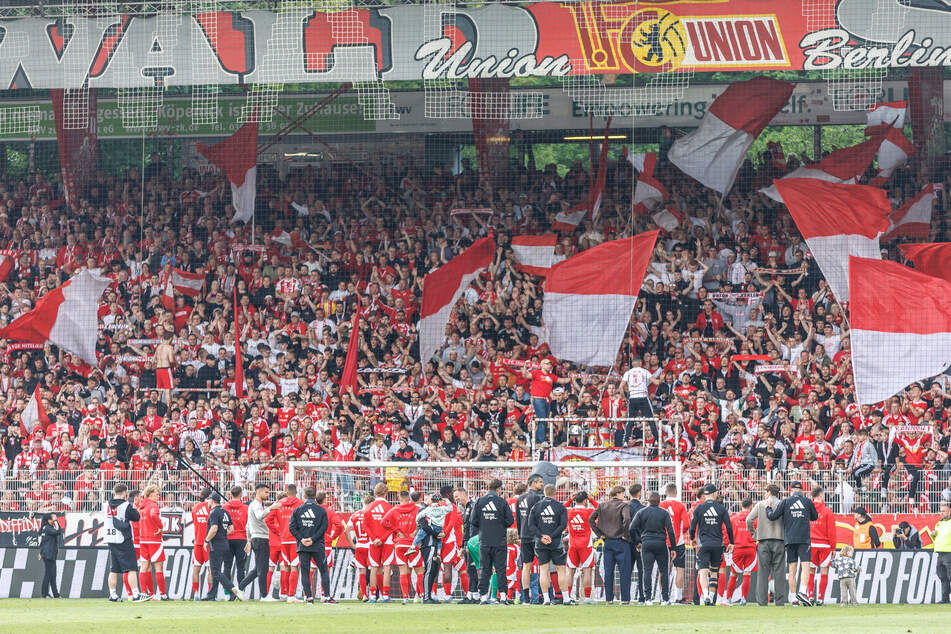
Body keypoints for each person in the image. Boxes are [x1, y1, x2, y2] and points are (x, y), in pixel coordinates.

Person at [767, 481, 818, 605]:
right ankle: (802, 591)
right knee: (806, 565)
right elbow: (814, 517)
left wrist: (768, 507)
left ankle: (794, 597)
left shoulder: (785, 502)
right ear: (801, 490)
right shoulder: (807, 501)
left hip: (789, 539)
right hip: (804, 539)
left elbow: (772, 516)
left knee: (792, 568)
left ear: (791, 490)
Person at [289, 486, 336, 604]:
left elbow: (292, 527)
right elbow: (324, 527)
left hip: (303, 546)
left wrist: (302, 539)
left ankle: (309, 597)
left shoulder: (298, 510)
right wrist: (313, 539)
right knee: (323, 570)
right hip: (317, 545)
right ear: (315, 496)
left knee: (304, 571)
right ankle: (327, 597)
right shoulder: (321, 510)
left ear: (304, 496)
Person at [470, 478, 514, 605]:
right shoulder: (502, 502)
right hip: (499, 540)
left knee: (485, 569)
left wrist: (485, 524)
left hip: (484, 540)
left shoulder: (480, 501)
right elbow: (510, 521)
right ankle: (504, 597)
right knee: (500, 569)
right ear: (499, 489)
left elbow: (473, 520)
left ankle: (483, 597)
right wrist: (499, 524)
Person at [688, 483, 733, 606]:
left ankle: (706, 596)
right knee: (714, 572)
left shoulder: (699, 508)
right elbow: (729, 527)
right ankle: (712, 597)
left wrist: (692, 538)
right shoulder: (721, 508)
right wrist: (732, 542)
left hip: (703, 544)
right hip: (717, 544)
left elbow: (692, 526)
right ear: (714, 494)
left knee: (702, 571)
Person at [629, 491, 676, 605]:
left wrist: (637, 542)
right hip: (660, 543)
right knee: (664, 571)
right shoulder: (664, 513)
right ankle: (665, 599)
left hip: (646, 543)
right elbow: (670, 530)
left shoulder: (641, 512)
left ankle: (648, 599)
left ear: (648, 501)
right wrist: (673, 547)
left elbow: (631, 528)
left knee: (647, 571)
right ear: (659, 501)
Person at [589, 485, 631, 605]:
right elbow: (627, 519)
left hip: (607, 542)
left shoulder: (602, 505)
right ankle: (625, 599)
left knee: (608, 572)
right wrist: (626, 534)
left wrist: (599, 533)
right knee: (624, 572)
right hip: (621, 542)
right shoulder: (624, 505)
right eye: (623, 493)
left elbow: (591, 519)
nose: (624, 496)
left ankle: (609, 599)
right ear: (618, 493)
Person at [527, 484, 568, 605]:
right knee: (561, 569)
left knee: (543, 570)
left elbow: (531, 525)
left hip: (541, 543)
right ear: (555, 493)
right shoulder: (560, 507)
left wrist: (541, 536)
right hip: (556, 543)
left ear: (544, 493)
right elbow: (563, 525)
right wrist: (552, 536)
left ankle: (546, 599)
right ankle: (566, 598)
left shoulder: (536, 506)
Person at [747, 483, 786, 606]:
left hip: (763, 541)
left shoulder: (760, 504)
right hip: (779, 540)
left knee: (763, 572)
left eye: (765, 491)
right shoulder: (782, 504)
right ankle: (780, 602)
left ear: (769, 492)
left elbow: (749, 519)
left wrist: (754, 534)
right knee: (779, 572)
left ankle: (762, 602)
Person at [240, 483, 281, 601]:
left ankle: (240, 587)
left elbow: (248, 525)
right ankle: (264, 595)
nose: (268, 494)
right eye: (266, 492)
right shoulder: (257, 505)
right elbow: (259, 516)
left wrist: (249, 539)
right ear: (259, 492)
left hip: (256, 538)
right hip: (261, 539)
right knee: (262, 568)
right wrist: (271, 508)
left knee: (258, 568)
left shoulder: (253, 505)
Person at [105, 484, 145, 602]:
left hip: (110, 539)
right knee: (131, 568)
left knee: (114, 569)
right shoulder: (126, 505)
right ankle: (136, 594)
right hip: (123, 539)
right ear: (124, 493)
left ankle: (112, 594)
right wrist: (133, 507)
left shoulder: (106, 504)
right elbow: (136, 517)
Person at [515, 474, 544, 605]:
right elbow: (539, 519)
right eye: (540, 482)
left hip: (524, 535)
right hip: (535, 536)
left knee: (526, 566)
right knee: (543, 565)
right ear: (533, 483)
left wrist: (521, 534)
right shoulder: (537, 498)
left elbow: (518, 519)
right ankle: (546, 597)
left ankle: (526, 598)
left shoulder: (520, 498)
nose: (542, 484)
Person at [659, 483, 689, 603]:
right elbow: (686, 524)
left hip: (663, 541)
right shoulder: (681, 505)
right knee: (679, 569)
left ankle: (663, 597)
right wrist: (680, 532)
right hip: (678, 542)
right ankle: (679, 597)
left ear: (665, 492)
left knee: (663, 569)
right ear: (676, 492)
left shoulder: (660, 505)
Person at [564, 491, 596, 604]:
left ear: (575, 500)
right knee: (587, 570)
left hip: (572, 544)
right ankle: (587, 598)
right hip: (586, 544)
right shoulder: (589, 511)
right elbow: (601, 510)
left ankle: (568, 596)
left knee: (570, 571)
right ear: (585, 500)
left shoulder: (569, 511)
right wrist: (591, 500)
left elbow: (560, 509)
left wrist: (569, 500)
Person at [364, 482, 394, 602]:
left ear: (375, 493)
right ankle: (385, 595)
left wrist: (374, 539)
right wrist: (382, 539)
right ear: (386, 493)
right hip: (387, 541)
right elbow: (392, 527)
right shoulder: (390, 508)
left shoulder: (369, 507)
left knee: (374, 568)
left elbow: (365, 526)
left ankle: (372, 595)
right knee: (386, 567)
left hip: (373, 542)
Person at [620, 357, 660, 442]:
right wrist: (662, 378)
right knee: (651, 419)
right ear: (641, 363)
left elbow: (620, 387)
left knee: (630, 420)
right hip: (643, 397)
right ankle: (657, 439)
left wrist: (624, 397)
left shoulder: (628, 373)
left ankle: (626, 440)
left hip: (633, 398)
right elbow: (656, 382)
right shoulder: (644, 371)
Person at [219, 486, 249, 601]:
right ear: (241, 494)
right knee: (241, 567)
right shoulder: (246, 508)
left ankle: (227, 593)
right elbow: (248, 525)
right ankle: (240, 592)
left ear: (230, 494)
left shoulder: (224, 507)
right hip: (241, 539)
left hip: (227, 539)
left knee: (227, 566)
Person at [725, 498, 756, 606]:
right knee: (747, 574)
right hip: (750, 549)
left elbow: (728, 534)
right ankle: (743, 599)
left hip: (737, 549)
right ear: (751, 506)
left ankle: (728, 599)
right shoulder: (754, 519)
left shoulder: (733, 518)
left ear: (741, 505)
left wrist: (728, 545)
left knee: (733, 574)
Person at [139, 484, 167, 600]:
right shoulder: (153, 506)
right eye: (156, 493)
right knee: (159, 568)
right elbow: (153, 515)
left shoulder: (141, 506)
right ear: (150, 494)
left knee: (144, 567)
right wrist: (160, 527)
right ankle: (163, 594)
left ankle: (145, 593)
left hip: (143, 540)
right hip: (154, 540)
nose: (158, 496)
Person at [809, 486, 836, 605]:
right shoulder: (827, 511)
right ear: (820, 496)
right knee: (824, 572)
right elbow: (831, 531)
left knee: (810, 571)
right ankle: (820, 598)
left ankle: (810, 595)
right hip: (824, 545)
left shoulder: (808, 510)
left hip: (811, 544)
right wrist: (833, 547)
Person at [277, 484, 304, 600]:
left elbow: (268, 519)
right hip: (295, 540)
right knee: (294, 567)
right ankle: (291, 595)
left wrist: (278, 530)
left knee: (285, 567)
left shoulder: (279, 504)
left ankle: (284, 594)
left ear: (286, 492)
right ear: (296, 492)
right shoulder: (301, 504)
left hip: (283, 540)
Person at [454, 486, 480, 604]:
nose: (456, 499)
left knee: (473, 568)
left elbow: (474, 528)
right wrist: (462, 546)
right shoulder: (465, 509)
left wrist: (470, 544)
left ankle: (475, 595)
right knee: (470, 568)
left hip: (474, 543)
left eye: (457, 496)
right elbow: (465, 530)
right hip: (468, 544)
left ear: (463, 494)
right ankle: (472, 594)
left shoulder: (473, 507)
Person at [345, 494, 373, 601]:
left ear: (363, 503)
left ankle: (364, 595)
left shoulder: (355, 515)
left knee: (362, 572)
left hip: (359, 545)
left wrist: (353, 545)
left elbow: (346, 531)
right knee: (374, 570)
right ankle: (374, 594)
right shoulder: (371, 514)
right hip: (370, 546)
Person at [627, 483, 647, 605]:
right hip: (639, 543)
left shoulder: (625, 507)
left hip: (626, 542)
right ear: (639, 493)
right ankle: (641, 597)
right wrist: (638, 542)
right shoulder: (642, 509)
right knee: (641, 570)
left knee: (627, 570)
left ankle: (626, 597)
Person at [190, 488, 211, 601]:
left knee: (196, 569)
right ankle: (209, 593)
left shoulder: (194, 508)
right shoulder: (210, 507)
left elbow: (194, 522)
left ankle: (196, 594)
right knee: (210, 570)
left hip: (197, 542)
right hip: (208, 543)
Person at [38, 512, 62, 598]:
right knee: (49, 574)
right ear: (49, 520)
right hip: (49, 554)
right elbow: (58, 531)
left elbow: (43, 541)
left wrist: (41, 552)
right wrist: (56, 521)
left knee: (52, 574)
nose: (54, 519)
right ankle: (45, 594)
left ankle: (55, 594)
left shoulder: (45, 528)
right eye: (53, 518)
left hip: (48, 553)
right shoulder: (48, 528)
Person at [934, 501, 951, 604]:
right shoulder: (939, 523)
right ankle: (945, 599)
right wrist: (933, 535)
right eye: (941, 511)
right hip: (940, 553)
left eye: (944, 511)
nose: (942, 513)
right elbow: (938, 538)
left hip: (949, 553)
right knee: (943, 577)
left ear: (950, 511)